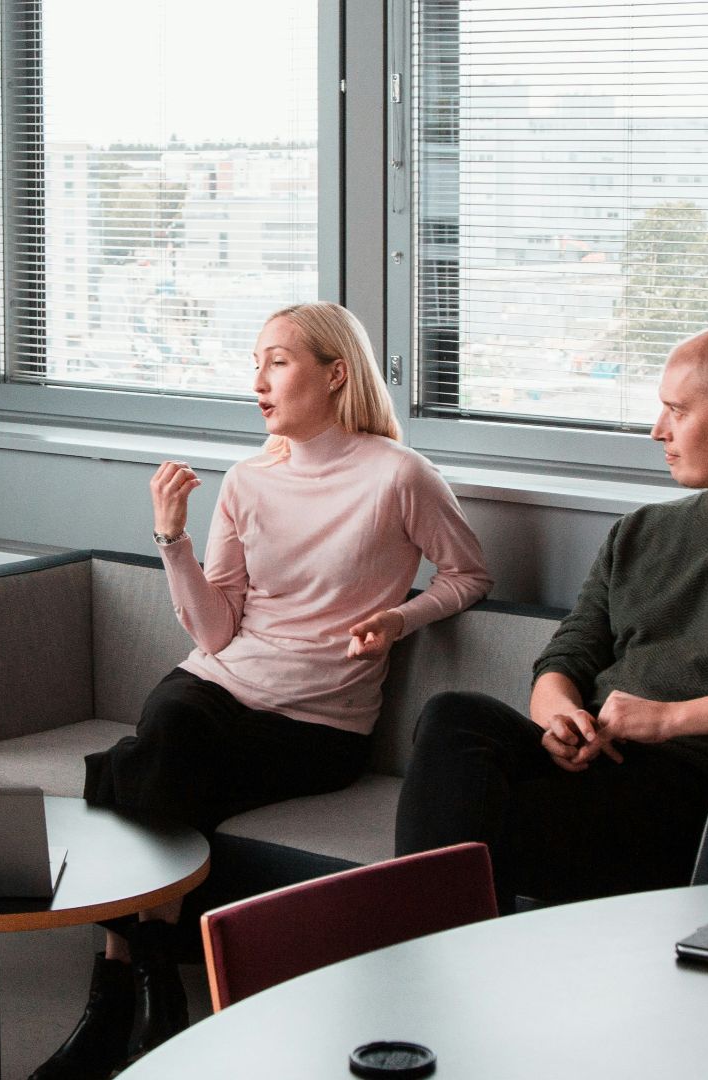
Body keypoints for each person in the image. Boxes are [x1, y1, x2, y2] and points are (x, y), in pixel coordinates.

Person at [30, 302, 495, 1080]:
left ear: (335, 372)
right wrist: (171, 536)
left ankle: (116, 1001)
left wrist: (400, 617)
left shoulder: (399, 477)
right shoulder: (247, 480)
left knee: (132, 765)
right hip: (221, 684)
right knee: (171, 724)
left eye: (277, 361)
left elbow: (471, 574)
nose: (258, 381)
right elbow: (212, 634)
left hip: (318, 721)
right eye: (255, 363)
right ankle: (144, 995)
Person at [393, 324, 708, 910]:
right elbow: (566, 657)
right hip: (589, 763)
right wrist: (560, 718)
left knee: (467, 838)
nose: (657, 430)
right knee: (454, 718)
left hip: (682, 790)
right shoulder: (640, 532)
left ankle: (416, 949)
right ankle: (430, 941)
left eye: (676, 411)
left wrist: (669, 720)